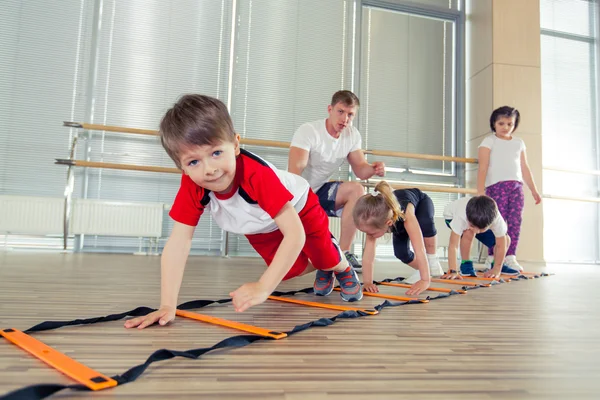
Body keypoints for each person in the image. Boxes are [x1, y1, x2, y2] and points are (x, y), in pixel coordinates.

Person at [125, 94, 362, 330]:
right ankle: (324, 264)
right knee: (290, 270)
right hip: (259, 222)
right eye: (193, 162)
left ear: (236, 144)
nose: (209, 169)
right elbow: (179, 242)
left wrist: (263, 286)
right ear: (182, 167)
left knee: (324, 256)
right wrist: (168, 305)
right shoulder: (192, 184)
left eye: (216, 153)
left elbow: (295, 234)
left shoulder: (256, 175)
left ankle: (340, 265)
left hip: (299, 206)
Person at [288, 90, 385, 272]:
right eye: (340, 112)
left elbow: (361, 170)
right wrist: (296, 201)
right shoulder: (309, 131)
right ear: (330, 109)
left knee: (356, 190)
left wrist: (373, 169)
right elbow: (294, 171)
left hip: (321, 190)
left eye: (350, 115)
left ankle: (344, 252)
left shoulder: (352, 135)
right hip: (299, 191)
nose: (345, 119)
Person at [352, 181, 444, 296]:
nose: (369, 235)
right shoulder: (375, 217)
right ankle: (426, 269)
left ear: (388, 223)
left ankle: (432, 259)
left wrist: (425, 280)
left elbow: (419, 248)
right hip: (395, 217)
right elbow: (368, 256)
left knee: (426, 225)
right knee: (401, 253)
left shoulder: (406, 216)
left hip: (421, 204)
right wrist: (367, 282)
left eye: (371, 233)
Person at [477, 106, 541, 271]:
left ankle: (510, 256)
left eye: (510, 124)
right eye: (501, 123)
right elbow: (482, 167)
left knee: (515, 221)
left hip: (516, 187)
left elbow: (525, 168)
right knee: (497, 222)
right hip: (495, 187)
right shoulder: (489, 141)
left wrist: (534, 190)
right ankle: (492, 256)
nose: (505, 127)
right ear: (494, 124)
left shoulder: (519, 143)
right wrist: (479, 191)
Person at [441, 195, 520, 280]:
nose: (476, 231)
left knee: (506, 239)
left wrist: (497, 269)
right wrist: (453, 271)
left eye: (480, 229)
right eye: (472, 225)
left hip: (474, 221)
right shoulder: (461, 217)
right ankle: (466, 264)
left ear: (490, 224)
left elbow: (501, 245)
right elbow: (453, 245)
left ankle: (495, 264)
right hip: (451, 216)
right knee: (469, 232)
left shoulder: (497, 220)